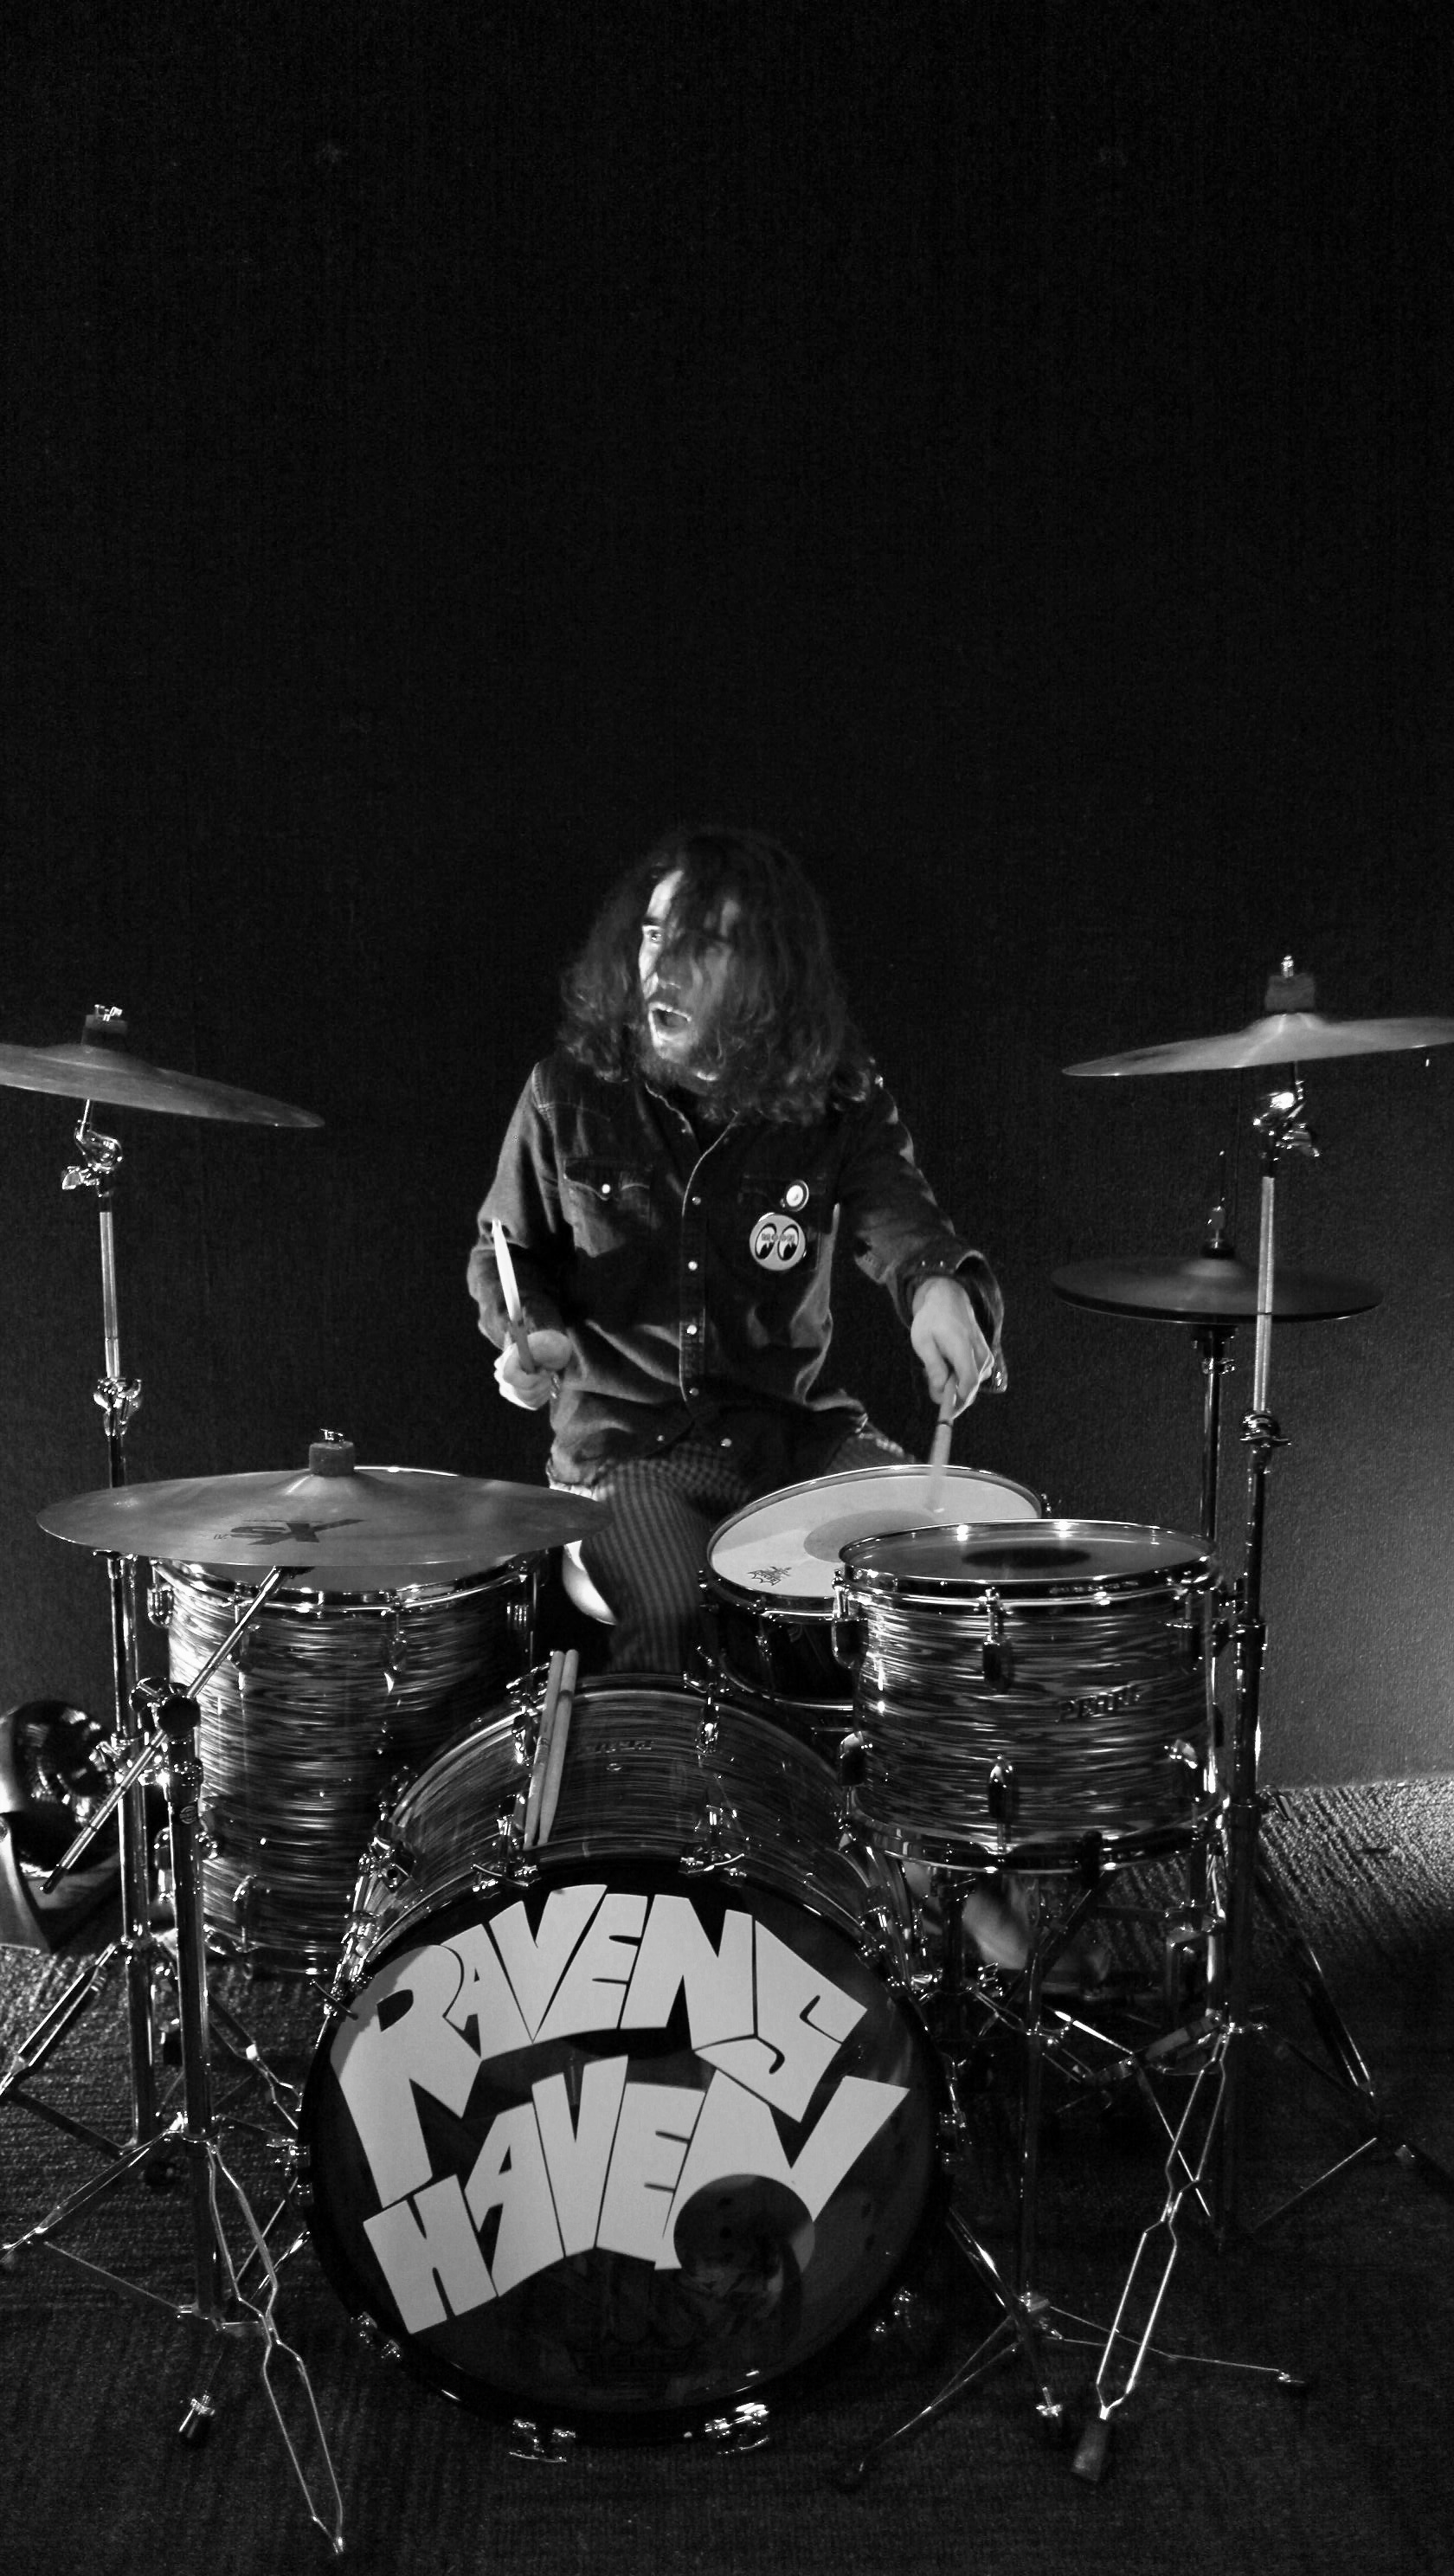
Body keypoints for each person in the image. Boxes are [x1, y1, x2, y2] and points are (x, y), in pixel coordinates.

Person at [467, 825, 1003, 1676]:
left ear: (768, 970)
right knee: (675, 1610)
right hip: (625, 1447)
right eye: (653, 935)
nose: (663, 968)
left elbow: (901, 1216)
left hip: (787, 1435)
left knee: (931, 1565)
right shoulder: (566, 1092)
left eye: (703, 946)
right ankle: (668, 1764)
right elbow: (507, 1250)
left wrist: (939, 1287)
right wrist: (530, 1333)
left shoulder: (834, 1096)